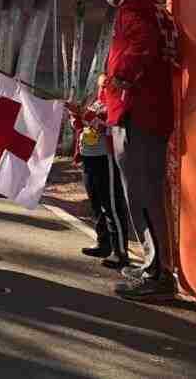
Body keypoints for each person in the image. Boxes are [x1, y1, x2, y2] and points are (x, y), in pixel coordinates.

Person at [96, 0, 177, 301]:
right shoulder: (156, 10)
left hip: (136, 114)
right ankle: (153, 265)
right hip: (149, 112)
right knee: (148, 193)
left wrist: (114, 84)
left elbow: (136, 56)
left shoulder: (134, 12)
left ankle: (158, 273)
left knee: (142, 194)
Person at [66, 75, 130, 271]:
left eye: (106, 85)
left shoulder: (117, 104)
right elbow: (81, 127)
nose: (102, 88)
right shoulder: (95, 103)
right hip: (89, 157)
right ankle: (103, 243)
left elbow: (110, 129)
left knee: (111, 205)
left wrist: (86, 116)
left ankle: (120, 252)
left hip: (106, 158)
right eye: (101, 85)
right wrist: (75, 116)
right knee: (96, 204)